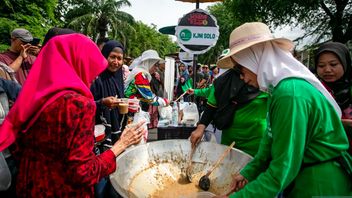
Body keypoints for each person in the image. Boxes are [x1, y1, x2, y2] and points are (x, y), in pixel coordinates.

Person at [215, 22, 351, 197]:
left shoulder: (290, 94)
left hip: (318, 185)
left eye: (240, 68)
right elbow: (270, 138)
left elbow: (283, 168)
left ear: (254, 57)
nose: (242, 78)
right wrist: (248, 172)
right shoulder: (279, 90)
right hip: (303, 179)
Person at [0, 33, 145, 197]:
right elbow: (83, 172)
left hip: (29, 185)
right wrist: (122, 144)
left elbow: (18, 147)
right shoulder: (77, 105)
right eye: (91, 68)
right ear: (78, 63)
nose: (92, 76)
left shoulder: (35, 96)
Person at [188, 50, 267, 157]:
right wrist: (200, 127)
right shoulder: (222, 81)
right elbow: (211, 106)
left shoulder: (265, 81)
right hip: (229, 141)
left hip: (257, 142)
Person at [314, 42, 352, 153]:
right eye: (321, 66)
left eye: (333, 64)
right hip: (327, 152)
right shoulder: (315, 90)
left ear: (345, 64)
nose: (327, 70)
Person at [91, 40, 126, 145]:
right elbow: (86, 104)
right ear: (105, 56)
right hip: (98, 133)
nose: (116, 62)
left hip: (116, 130)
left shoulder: (118, 78)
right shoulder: (95, 78)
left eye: (119, 58)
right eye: (112, 57)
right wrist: (102, 103)